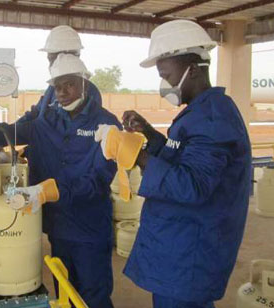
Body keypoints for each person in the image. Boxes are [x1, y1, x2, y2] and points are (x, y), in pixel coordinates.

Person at [95, 19, 252, 308]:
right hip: (179, 245)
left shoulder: (214, 119)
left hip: (191, 252)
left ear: (191, 70)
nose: (164, 83)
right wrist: (150, 135)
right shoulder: (200, 112)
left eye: (167, 75)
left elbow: (193, 185)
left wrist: (137, 155)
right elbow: (182, 157)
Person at [0, 54, 121, 308]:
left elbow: (98, 181)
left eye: (69, 84)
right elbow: (11, 132)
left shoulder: (106, 125)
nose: (61, 93)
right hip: (59, 227)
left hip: (89, 228)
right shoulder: (46, 122)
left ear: (85, 84)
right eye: (57, 87)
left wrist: (50, 192)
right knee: (64, 290)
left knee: (93, 295)